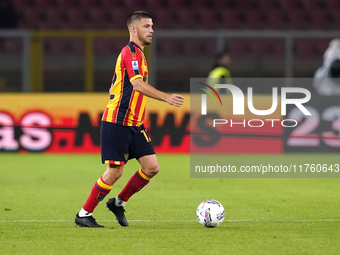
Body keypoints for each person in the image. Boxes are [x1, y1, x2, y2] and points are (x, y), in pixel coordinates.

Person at [74, 11, 184, 228]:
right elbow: (137, 84)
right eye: (146, 26)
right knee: (115, 172)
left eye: (152, 26)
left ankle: (118, 202)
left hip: (134, 123)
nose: (151, 30)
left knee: (151, 167)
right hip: (117, 121)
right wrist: (166, 97)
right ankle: (84, 214)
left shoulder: (140, 55)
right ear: (133, 29)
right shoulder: (130, 52)